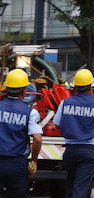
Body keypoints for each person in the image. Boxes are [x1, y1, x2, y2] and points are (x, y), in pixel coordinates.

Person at [53, 68, 94, 198]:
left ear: (76, 87)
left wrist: (70, 130)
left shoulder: (65, 102)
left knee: (70, 185)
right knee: (81, 187)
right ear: (90, 86)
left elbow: (57, 124)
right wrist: (92, 130)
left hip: (70, 150)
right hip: (88, 150)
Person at [0, 69, 43, 198]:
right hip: (17, 163)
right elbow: (38, 139)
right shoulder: (30, 112)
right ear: (24, 91)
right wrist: (33, 160)